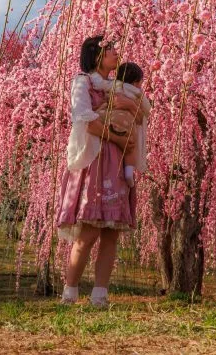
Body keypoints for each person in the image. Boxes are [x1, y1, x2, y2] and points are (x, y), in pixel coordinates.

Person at [54, 34, 136, 308]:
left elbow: (135, 114)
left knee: (111, 234)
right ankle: (70, 292)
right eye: (110, 49)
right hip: (95, 160)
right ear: (97, 54)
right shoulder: (83, 82)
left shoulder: (116, 86)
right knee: (88, 233)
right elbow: (84, 120)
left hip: (116, 160)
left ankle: (100, 295)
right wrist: (119, 138)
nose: (116, 53)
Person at [104, 61, 150, 184]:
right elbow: (146, 109)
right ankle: (129, 173)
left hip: (111, 123)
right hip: (128, 125)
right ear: (135, 82)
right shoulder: (136, 93)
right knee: (130, 148)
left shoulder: (113, 87)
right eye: (141, 82)